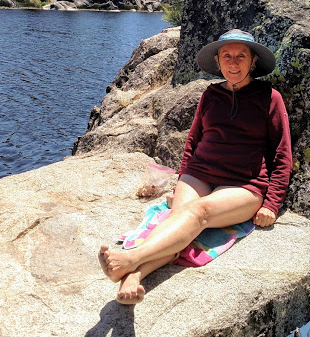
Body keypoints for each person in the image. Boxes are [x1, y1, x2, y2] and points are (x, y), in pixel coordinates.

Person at [99, 29, 293, 304]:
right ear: (218, 60)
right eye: (227, 56)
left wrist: (271, 204)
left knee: (197, 212)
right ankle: (133, 276)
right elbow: (192, 141)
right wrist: (182, 180)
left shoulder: (269, 97)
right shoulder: (211, 94)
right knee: (179, 220)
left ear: (253, 62)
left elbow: (282, 154)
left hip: (244, 184)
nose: (234, 62)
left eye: (241, 56)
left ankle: (130, 258)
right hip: (200, 173)